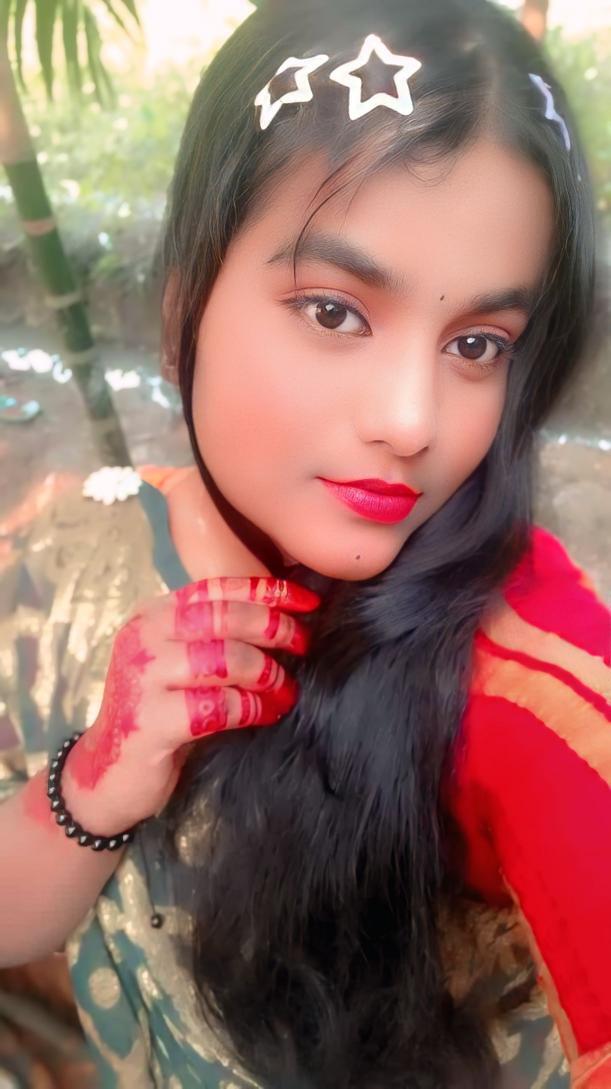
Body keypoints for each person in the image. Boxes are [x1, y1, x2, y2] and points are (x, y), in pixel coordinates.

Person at [0, 0, 609, 1086]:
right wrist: (91, 784)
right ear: (184, 301)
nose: (413, 420)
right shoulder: (58, 563)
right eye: (334, 312)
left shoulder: (523, 676)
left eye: (477, 344)